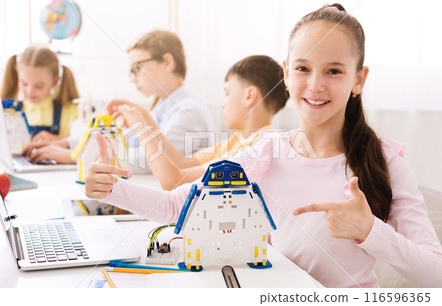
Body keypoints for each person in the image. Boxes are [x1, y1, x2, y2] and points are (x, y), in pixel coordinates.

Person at [84, 4, 442, 287]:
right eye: (303, 68)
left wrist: (371, 232)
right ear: (286, 74)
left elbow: (436, 275)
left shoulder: (385, 161)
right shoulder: (266, 151)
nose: (315, 84)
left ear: (358, 79)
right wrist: (112, 189)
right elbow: (179, 205)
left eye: (333, 71)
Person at [114, 55, 289, 190]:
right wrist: (144, 117)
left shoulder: (255, 147)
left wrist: (141, 127)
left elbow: (174, 181)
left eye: (227, 93)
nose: (223, 102)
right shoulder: (237, 141)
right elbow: (180, 163)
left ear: (249, 96)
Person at [107, 29, 215, 162]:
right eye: (131, 71)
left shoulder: (190, 111)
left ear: (167, 62)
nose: (133, 79)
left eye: (138, 68)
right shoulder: (159, 108)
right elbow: (128, 143)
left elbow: (153, 159)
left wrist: (97, 154)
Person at [0, 45, 80, 164]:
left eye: (39, 86)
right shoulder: (10, 111)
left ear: (55, 81)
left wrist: (57, 139)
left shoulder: (72, 109)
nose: (30, 91)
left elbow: (84, 140)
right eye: (24, 83)